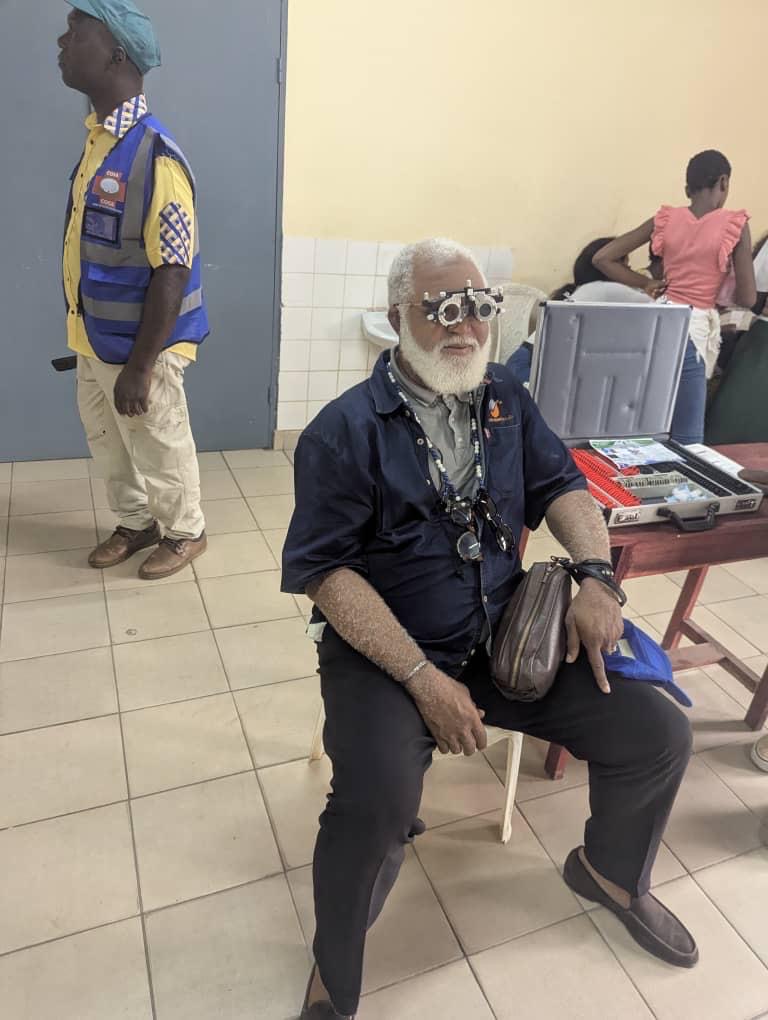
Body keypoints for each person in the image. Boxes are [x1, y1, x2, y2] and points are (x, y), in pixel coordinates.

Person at [283, 239, 697, 1019]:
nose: (464, 326)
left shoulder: (503, 395)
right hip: (389, 656)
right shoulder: (343, 432)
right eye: (441, 309)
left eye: (478, 306)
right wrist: (421, 679)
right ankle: (334, 973)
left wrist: (596, 576)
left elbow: (563, 486)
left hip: (508, 632)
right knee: (375, 800)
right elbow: (327, 576)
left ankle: (610, 873)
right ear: (398, 317)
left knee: (657, 732)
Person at [59, 0, 209, 580]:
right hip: (95, 337)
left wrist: (142, 367)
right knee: (109, 441)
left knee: (159, 441)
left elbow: (172, 270)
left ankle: (186, 531)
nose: (62, 43)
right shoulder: (100, 141)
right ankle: (136, 520)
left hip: (143, 348)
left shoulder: (157, 157)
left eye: (77, 32)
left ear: (117, 54)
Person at [593, 150, 757, 445]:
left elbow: (602, 258)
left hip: (657, 321)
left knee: (647, 421)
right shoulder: (734, 224)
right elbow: (747, 297)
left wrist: (647, 283)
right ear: (723, 182)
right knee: (687, 436)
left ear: (687, 189)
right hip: (692, 331)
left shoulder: (666, 219)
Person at [507, 236, 652, 385]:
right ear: (608, 266)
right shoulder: (603, 290)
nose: (630, 269)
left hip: (525, 362)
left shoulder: (586, 290)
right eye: (624, 264)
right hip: (530, 366)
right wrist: (650, 282)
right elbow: (657, 307)